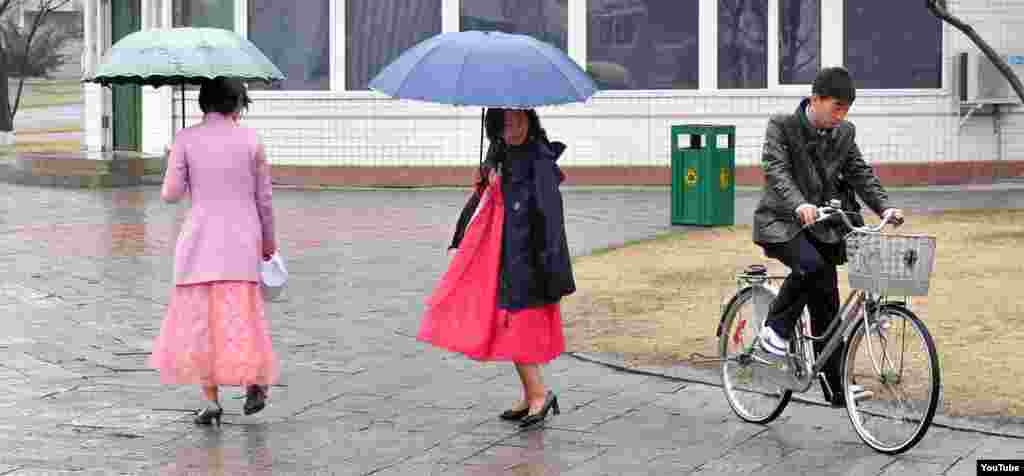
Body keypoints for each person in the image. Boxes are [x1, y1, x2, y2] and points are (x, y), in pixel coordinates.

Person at [752, 67, 904, 406]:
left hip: (823, 225)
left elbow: (860, 173)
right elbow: (776, 170)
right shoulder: (783, 126)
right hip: (781, 222)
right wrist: (799, 204)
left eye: (846, 109)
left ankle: (836, 388)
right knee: (813, 267)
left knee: (828, 303)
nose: (841, 115)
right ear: (816, 98)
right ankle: (774, 331)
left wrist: (885, 208)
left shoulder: (844, 133)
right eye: (836, 107)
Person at [418, 107, 575, 428]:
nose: (512, 125)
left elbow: (551, 220)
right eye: (503, 120)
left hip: (526, 256)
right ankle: (534, 393)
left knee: (517, 323)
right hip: (495, 249)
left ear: (530, 119)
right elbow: (487, 198)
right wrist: (488, 173)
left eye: (518, 117)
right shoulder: (501, 153)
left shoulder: (538, 161)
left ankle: (539, 394)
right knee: (502, 320)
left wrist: (551, 268)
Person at [149, 77, 279, 426]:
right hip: (242, 240)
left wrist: (174, 161)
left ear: (203, 104)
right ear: (238, 104)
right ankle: (255, 380)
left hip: (199, 242)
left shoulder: (185, 139)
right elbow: (264, 200)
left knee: (201, 324)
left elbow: (171, 195)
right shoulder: (251, 140)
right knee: (243, 317)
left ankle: (210, 401)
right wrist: (269, 242)